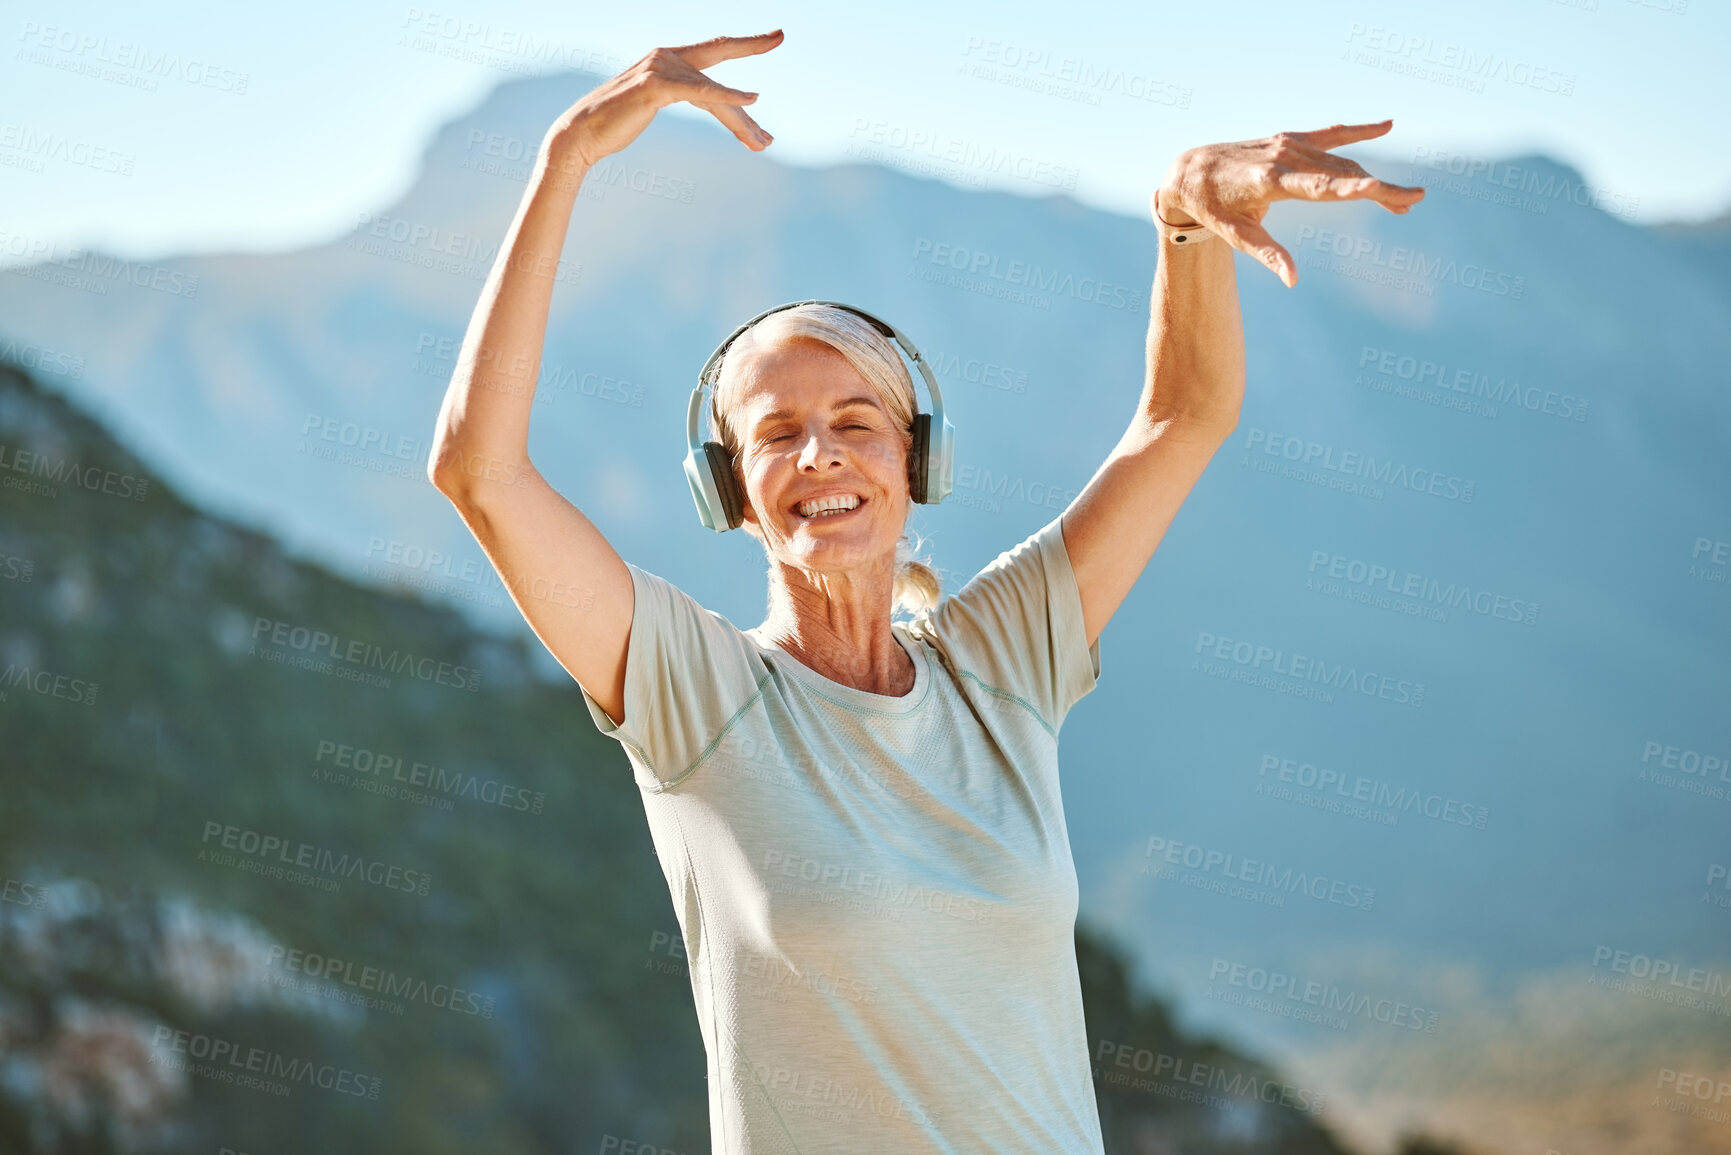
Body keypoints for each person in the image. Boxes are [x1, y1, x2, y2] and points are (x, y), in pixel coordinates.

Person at [427, 29, 1423, 1153]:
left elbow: (1181, 416)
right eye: (777, 436)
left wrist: (1183, 216)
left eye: (858, 424)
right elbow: (481, 473)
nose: (822, 456)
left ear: (918, 464)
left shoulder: (1004, 655)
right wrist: (565, 161)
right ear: (731, 491)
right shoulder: (694, 692)